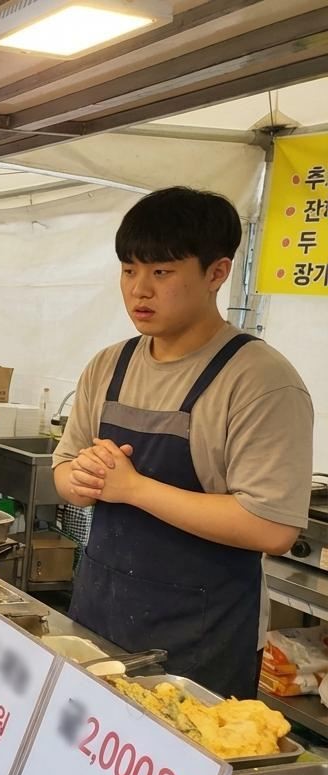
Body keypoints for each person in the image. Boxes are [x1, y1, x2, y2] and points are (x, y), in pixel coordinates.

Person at [53, 186, 313, 699]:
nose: (139, 290)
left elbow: (272, 527)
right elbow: (64, 467)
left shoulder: (259, 380)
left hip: (202, 640)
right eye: (129, 270)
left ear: (217, 273)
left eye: (162, 272)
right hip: (99, 614)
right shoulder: (110, 365)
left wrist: (133, 489)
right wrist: (79, 480)